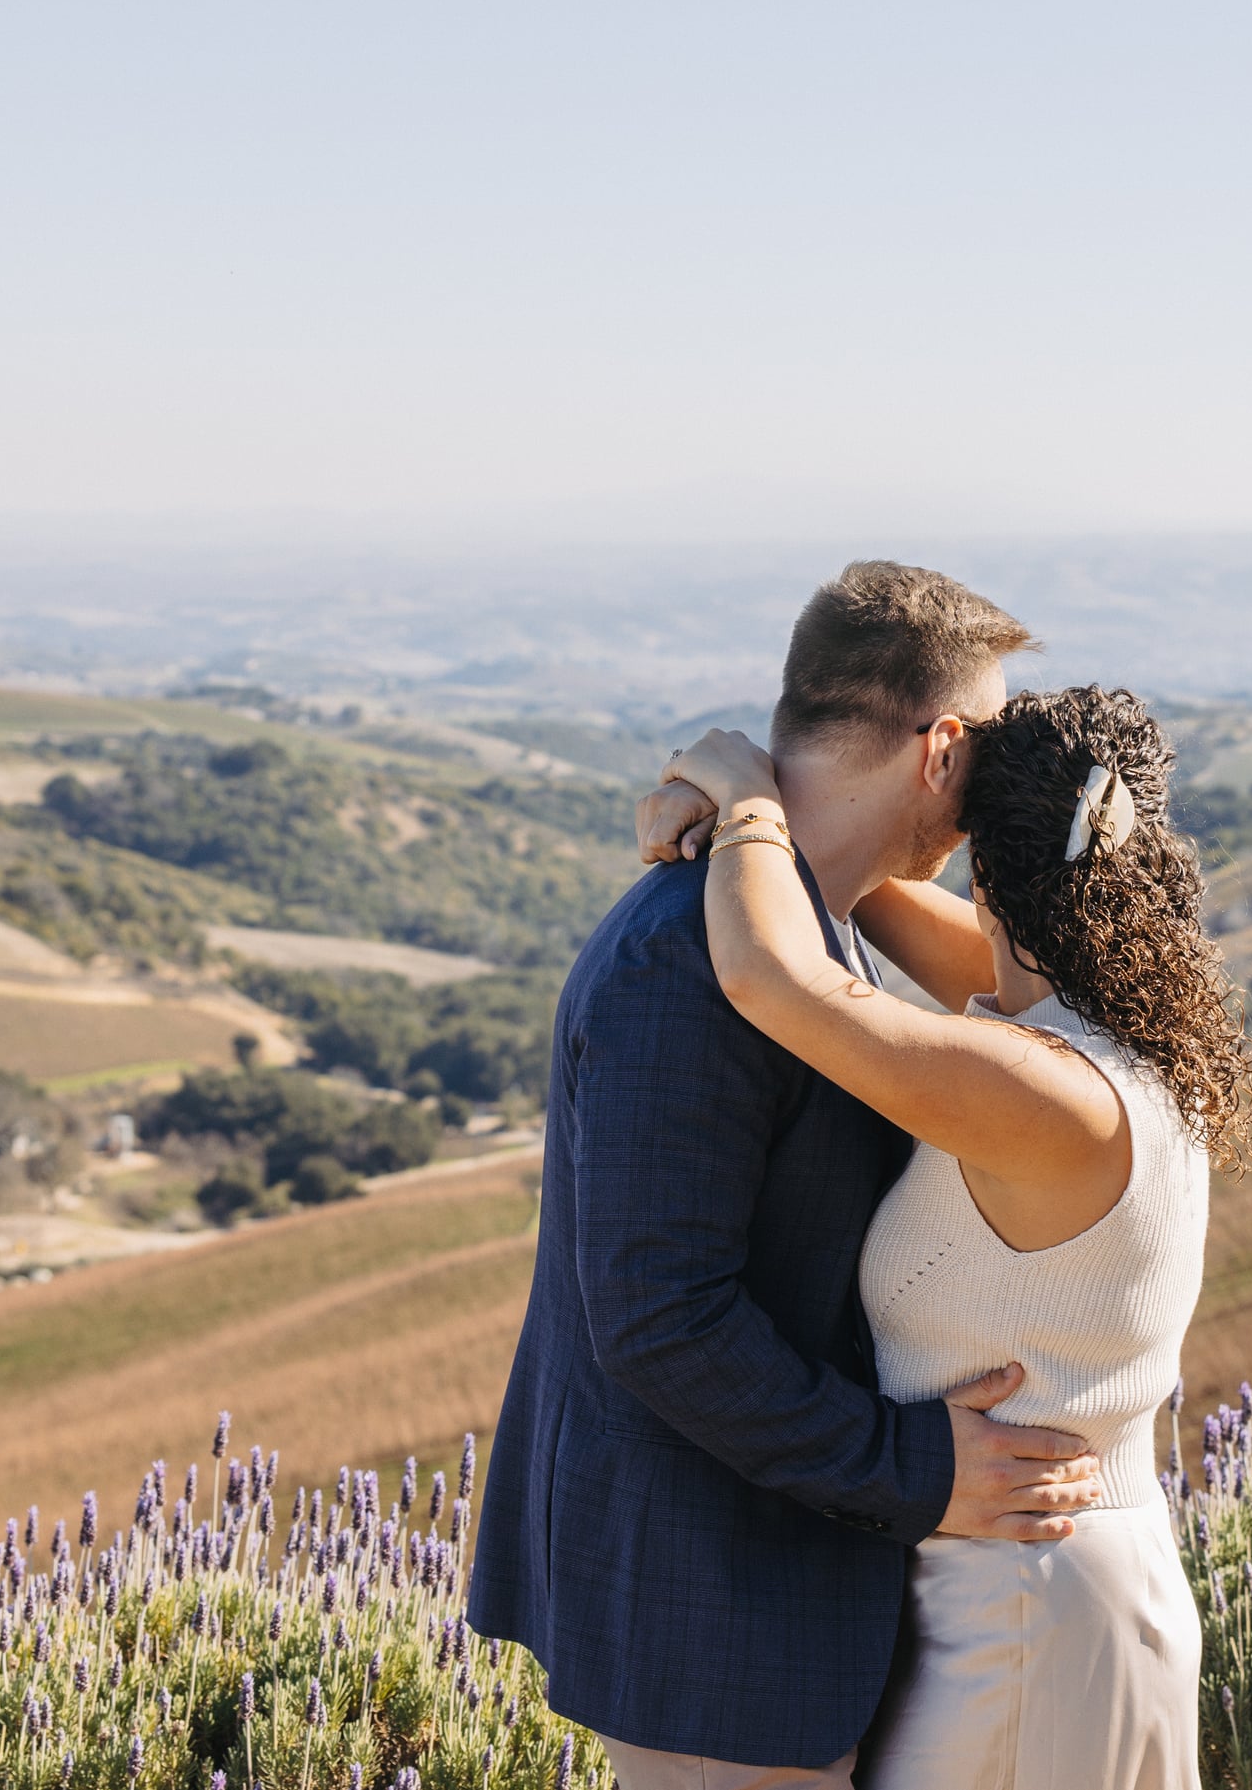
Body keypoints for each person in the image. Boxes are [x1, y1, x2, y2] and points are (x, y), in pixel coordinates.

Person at [467, 563, 1111, 1789]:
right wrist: (916, 1467)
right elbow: (659, 1317)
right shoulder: (682, 959)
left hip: (771, 1587)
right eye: (988, 753)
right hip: (711, 1614)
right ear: (943, 748)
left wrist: (748, 797)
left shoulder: (810, 920)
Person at [652, 681, 1252, 1790]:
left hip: (1021, 1610)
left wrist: (745, 799)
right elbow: (874, 898)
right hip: (1065, 1584)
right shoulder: (1118, 1027)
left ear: (984, 865)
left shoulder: (1047, 1092)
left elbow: (772, 975)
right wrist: (798, 824)